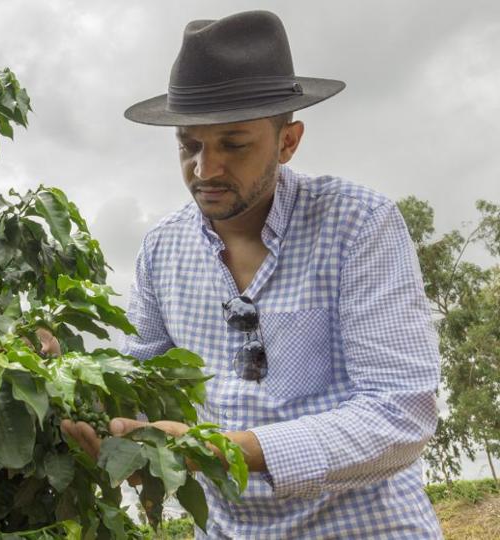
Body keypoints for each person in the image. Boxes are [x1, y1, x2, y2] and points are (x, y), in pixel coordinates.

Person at [59, 10, 443, 539]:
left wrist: (218, 450)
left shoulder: (358, 224)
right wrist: (68, 382)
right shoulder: (161, 250)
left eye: (233, 145)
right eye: (189, 145)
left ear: (288, 141)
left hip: (366, 526)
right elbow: (136, 376)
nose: (205, 168)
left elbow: (400, 413)